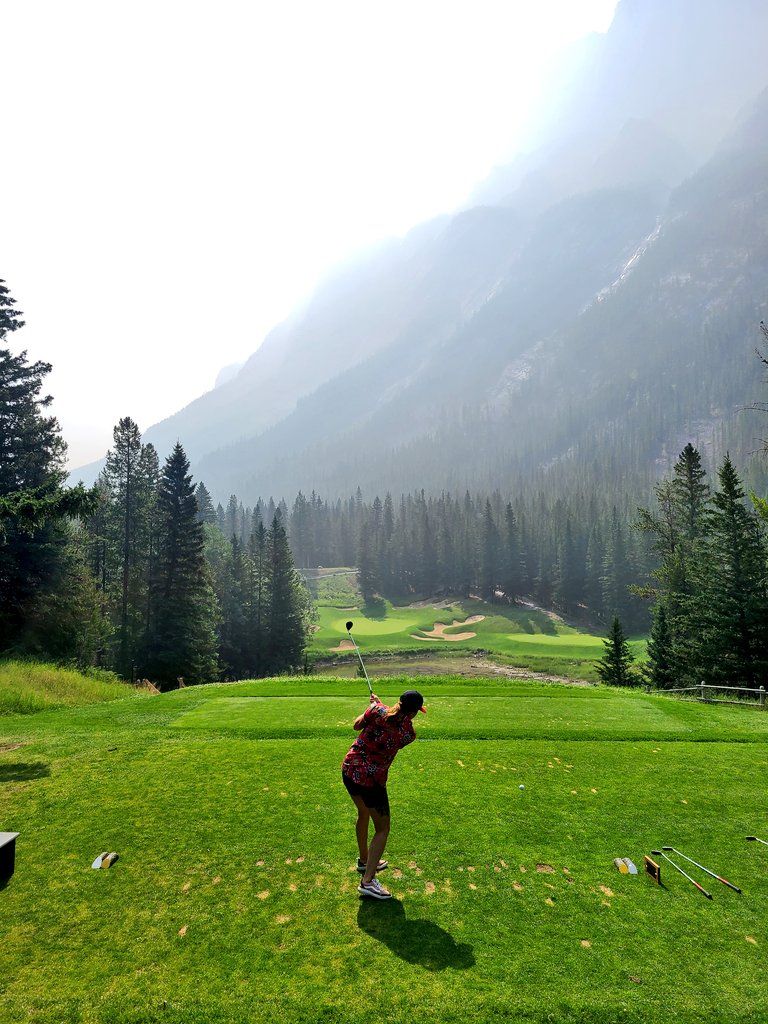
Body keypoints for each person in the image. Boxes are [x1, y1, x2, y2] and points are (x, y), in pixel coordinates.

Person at [341, 688, 426, 899]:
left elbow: (357, 725)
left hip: (350, 769)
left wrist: (373, 706)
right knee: (382, 829)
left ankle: (364, 860)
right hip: (371, 781)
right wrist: (378, 706)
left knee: (363, 813)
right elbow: (394, 722)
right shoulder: (409, 734)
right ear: (414, 712)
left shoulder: (377, 711)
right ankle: (367, 881)